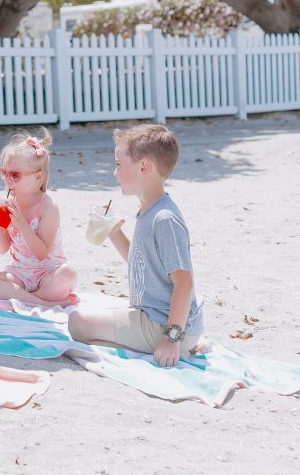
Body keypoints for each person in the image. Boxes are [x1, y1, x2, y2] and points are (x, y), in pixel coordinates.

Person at [67, 124, 205, 367]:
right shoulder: (149, 210)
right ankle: (186, 344)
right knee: (89, 315)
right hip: (161, 320)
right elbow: (141, 263)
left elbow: (184, 283)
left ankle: (179, 347)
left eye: (119, 164)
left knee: (76, 324)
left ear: (144, 168)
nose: (114, 172)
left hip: (164, 326)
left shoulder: (164, 220)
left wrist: (171, 339)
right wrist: (114, 232)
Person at [0, 128, 77, 305]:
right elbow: (1, 249)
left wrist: (22, 225)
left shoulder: (48, 206)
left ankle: (27, 298)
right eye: (4, 173)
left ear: (38, 177)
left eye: (15, 175)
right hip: (20, 273)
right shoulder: (9, 204)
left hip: (48, 272)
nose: (8, 180)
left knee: (68, 275)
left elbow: (41, 253)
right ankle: (44, 302)